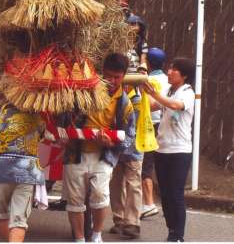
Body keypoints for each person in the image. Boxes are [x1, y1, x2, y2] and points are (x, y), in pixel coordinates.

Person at [61, 53, 135, 244]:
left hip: (104, 156)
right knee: (75, 200)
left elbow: (129, 137)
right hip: (75, 153)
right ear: (102, 72)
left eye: (116, 77)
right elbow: (63, 119)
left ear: (124, 76)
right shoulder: (82, 92)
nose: (111, 80)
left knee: (101, 195)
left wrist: (112, 143)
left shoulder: (125, 103)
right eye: (108, 75)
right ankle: (79, 239)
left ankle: (96, 235)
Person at [142, 57, 195, 243]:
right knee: (164, 193)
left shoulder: (187, 92)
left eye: (175, 69)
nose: (170, 71)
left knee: (175, 192)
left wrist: (154, 94)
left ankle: (178, 235)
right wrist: (139, 90)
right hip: (162, 149)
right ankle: (172, 230)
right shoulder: (167, 90)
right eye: (170, 67)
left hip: (180, 151)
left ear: (185, 75)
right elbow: (152, 104)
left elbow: (174, 105)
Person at [0, 101, 46, 242]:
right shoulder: (38, 120)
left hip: (1, 170)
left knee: (2, 215)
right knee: (19, 220)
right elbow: (41, 138)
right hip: (28, 171)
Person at [110, 62, 144, 239]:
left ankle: (132, 222)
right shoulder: (116, 96)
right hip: (117, 147)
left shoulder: (137, 99)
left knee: (133, 184)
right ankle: (119, 219)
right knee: (116, 184)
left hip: (134, 147)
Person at [141, 48, 170, 219]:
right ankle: (156, 203)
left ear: (148, 63)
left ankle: (149, 203)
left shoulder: (146, 80)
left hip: (149, 124)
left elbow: (148, 104)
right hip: (164, 125)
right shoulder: (169, 80)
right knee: (159, 166)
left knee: (146, 165)